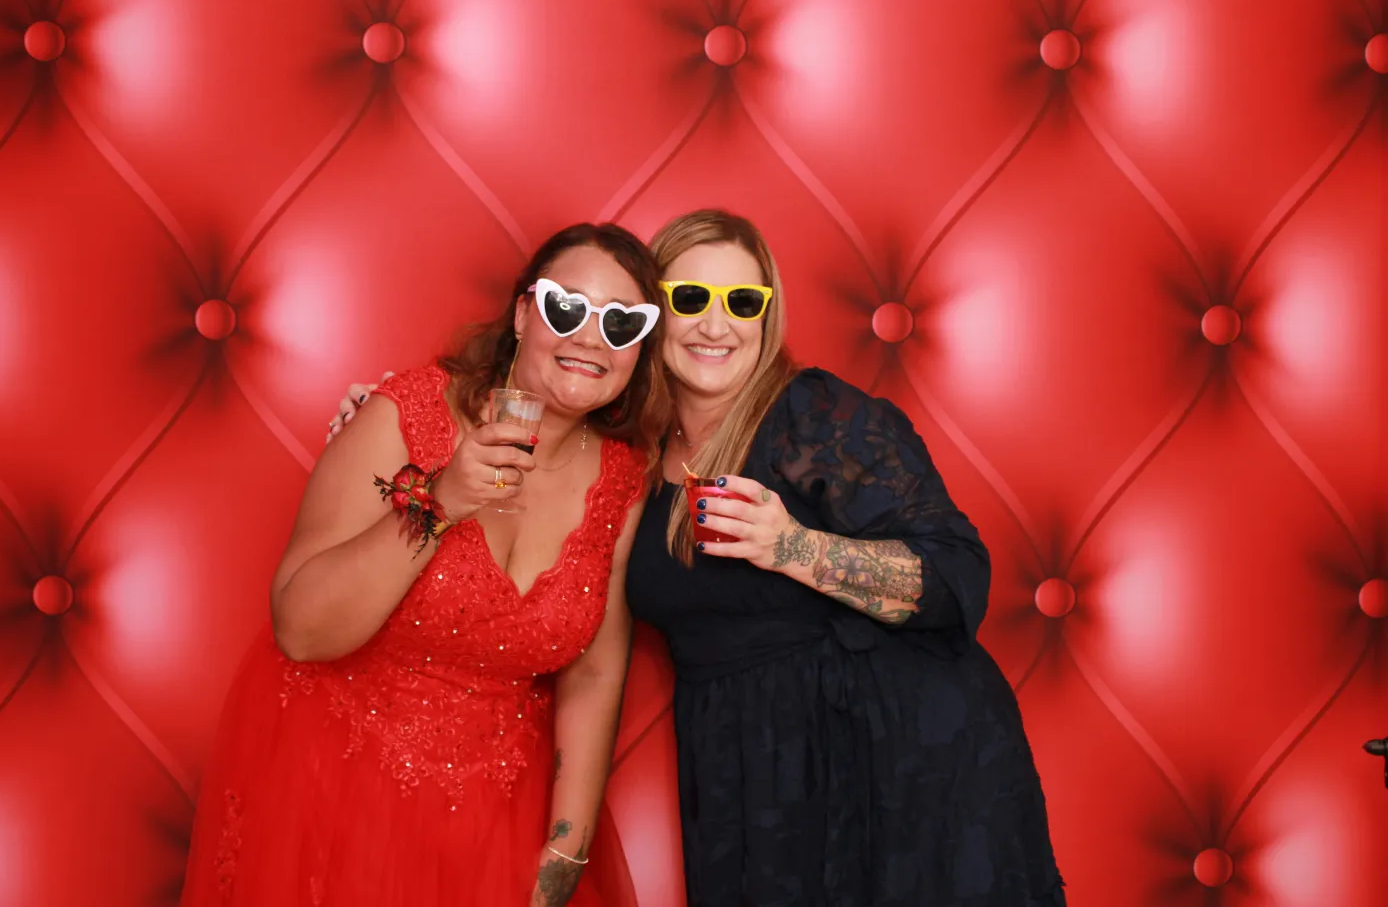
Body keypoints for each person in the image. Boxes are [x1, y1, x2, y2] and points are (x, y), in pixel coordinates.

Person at [330, 209, 1066, 906]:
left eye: (743, 300)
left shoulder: (815, 416)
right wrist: (399, 429)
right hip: (752, 774)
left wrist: (795, 547)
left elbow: (956, 578)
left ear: (766, 318)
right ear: (650, 322)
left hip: (897, 757)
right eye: (691, 297)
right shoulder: (635, 461)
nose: (717, 323)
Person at [179, 222, 671, 907]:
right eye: (568, 308)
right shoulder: (406, 411)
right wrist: (442, 500)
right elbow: (301, 628)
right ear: (526, 314)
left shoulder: (624, 476)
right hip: (331, 791)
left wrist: (566, 847)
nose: (592, 338)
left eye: (622, 323)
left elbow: (594, 672)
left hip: (495, 821)